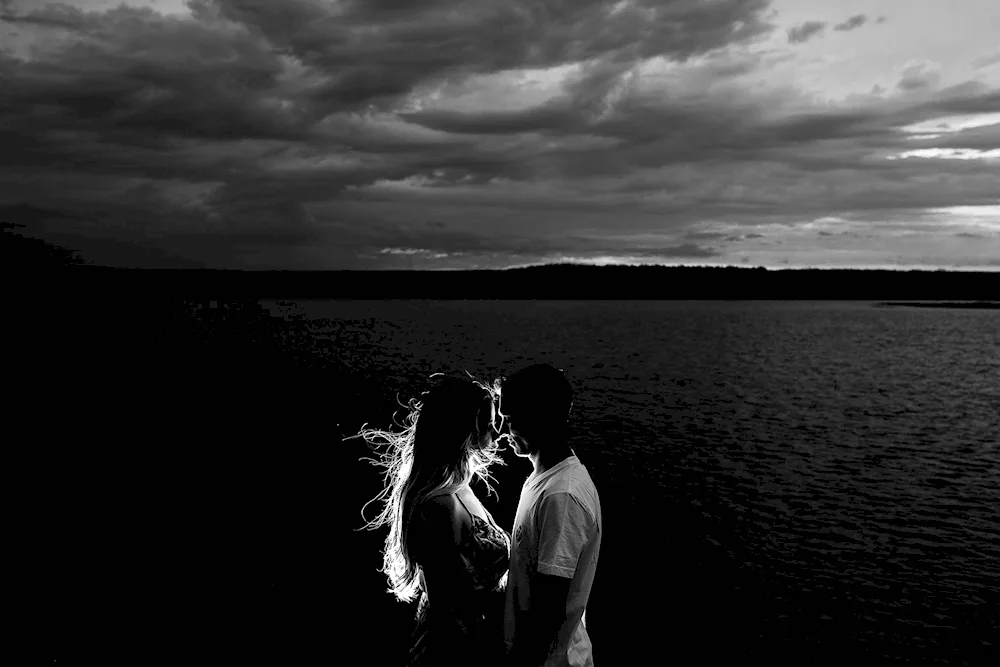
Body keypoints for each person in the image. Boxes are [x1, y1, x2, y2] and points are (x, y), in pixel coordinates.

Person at [356, 374, 511, 667]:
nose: (498, 432)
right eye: (489, 424)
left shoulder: (460, 489)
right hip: (454, 649)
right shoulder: (439, 507)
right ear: (464, 430)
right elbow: (446, 607)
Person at [499, 364, 602, 667]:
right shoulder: (543, 478)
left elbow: (548, 608)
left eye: (510, 419)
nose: (505, 431)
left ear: (538, 417)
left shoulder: (562, 496)